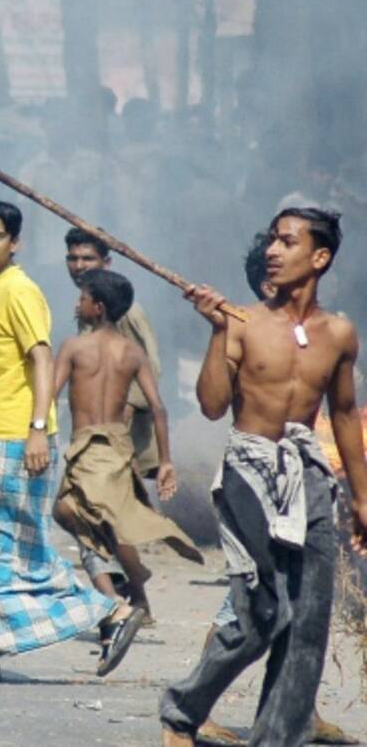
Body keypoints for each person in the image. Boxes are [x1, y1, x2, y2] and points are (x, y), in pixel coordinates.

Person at [160, 208, 367, 747]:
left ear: (319, 258)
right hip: (250, 468)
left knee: (310, 618)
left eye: (288, 241)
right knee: (264, 608)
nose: (273, 250)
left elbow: (344, 414)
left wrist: (361, 498)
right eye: (273, 240)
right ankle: (183, 709)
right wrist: (214, 331)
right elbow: (210, 406)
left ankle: (280, 735)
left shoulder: (340, 334)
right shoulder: (241, 322)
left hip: (308, 473)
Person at [0, 199, 143, 684]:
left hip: (16, 442)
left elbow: (41, 360)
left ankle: (110, 614)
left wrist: (37, 429)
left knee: (18, 555)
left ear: (15, 242)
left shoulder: (18, 291)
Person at [52, 269, 202, 637]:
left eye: (82, 298)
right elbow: (160, 408)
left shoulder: (73, 347)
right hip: (120, 447)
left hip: (91, 448)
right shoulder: (132, 352)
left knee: (69, 511)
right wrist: (165, 461)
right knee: (111, 523)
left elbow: (50, 395)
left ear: (97, 307)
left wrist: (36, 432)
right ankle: (136, 593)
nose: (77, 303)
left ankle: (115, 601)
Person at [63, 228, 166, 610]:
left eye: (87, 259)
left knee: (92, 512)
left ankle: (128, 591)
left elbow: (148, 369)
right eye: (72, 259)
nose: (78, 266)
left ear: (107, 262)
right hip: (97, 434)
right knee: (108, 517)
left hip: (119, 437)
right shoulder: (89, 308)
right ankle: (136, 598)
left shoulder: (125, 311)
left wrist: (115, 426)